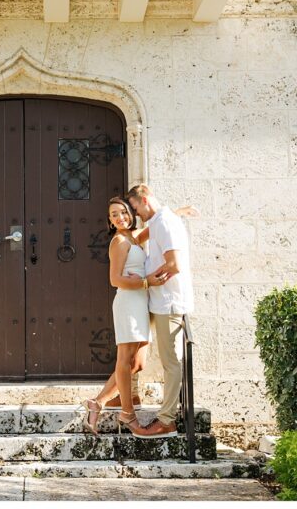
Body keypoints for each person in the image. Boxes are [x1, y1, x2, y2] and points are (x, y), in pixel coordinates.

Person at [82, 196, 197, 436]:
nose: (120, 217)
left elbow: (157, 224)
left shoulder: (133, 236)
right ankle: (127, 414)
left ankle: (99, 402)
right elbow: (115, 280)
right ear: (110, 221)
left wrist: (176, 212)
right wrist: (146, 282)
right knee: (125, 360)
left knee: (139, 362)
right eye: (114, 215)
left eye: (123, 212)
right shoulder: (119, 242)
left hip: (141, 303)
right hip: (129, 303)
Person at [127, 183, 194, 439]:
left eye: (135, 208)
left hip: (168, 302)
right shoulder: (159, 221)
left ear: (144, 198)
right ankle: (128, 394)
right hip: (156, 301)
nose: (136, 214)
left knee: (171, 362)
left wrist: (147, 278)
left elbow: (174, 265)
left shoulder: (165, 223)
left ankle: (167, 421)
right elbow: (136, 236)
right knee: (136, 350)